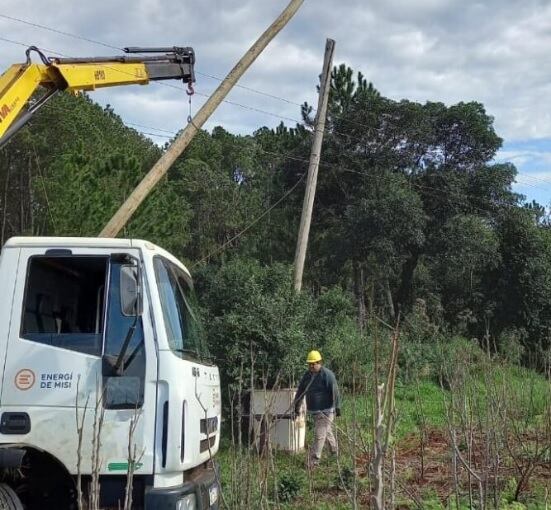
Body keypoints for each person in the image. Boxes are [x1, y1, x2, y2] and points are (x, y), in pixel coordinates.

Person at [293, 350, 341, 466]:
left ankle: (313, 462)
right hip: (315, 410)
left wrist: (338, 408)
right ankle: (335, 453)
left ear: (320, 362)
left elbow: (335, 392)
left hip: (326, 410)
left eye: (314, 364)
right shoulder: (307, 375)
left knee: (319, 435)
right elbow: (301, 391)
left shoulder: (327, 375)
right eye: (309, 364)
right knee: (326, 431)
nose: (311, 366)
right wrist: (296, 406)